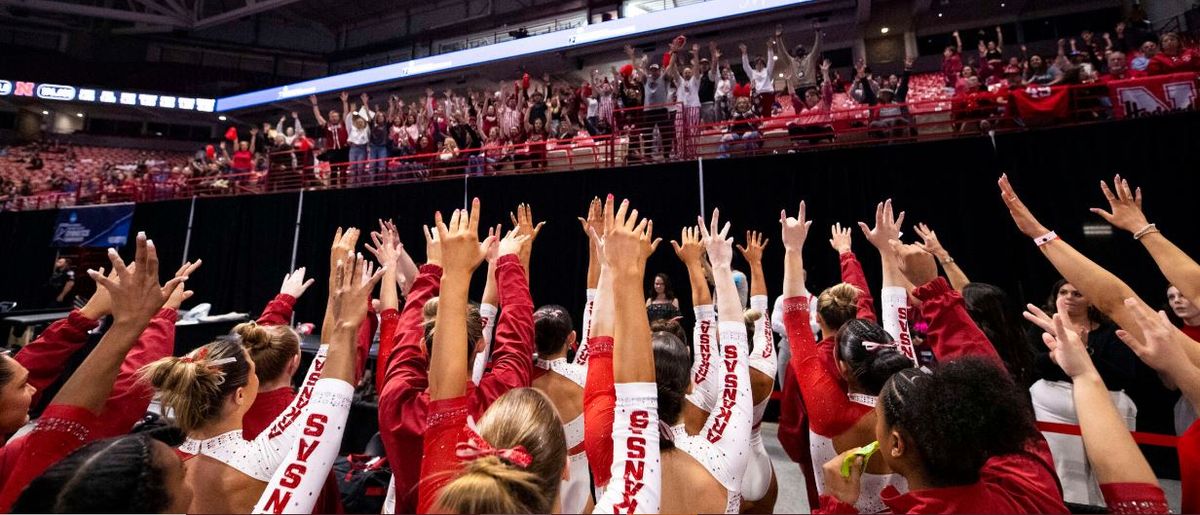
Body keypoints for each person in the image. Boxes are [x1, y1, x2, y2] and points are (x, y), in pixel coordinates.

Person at [0, 234, 191, 511]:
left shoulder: (14, 455)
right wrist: (138, 322)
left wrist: (87, 315)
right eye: (23, 386)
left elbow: (26, 367)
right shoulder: (28, 460)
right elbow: (117, 400)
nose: (33, 387)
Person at [376, 198, 535, 514]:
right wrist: (509, 263)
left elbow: (404, 344)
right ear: (480, 345)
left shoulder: (398, 405)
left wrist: (434, 268)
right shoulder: (497, 404)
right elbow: (517, 345)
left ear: (424, 347)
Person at [1024, 279, 1138, 506]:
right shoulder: (1042, 327)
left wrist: (1085, 353)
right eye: (1063, 292)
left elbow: (1122, 375)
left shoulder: (1111, 331)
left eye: (1077, 294)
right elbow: (1029, 364)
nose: (1068, 298)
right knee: (1066, 469)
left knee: (1110, 470)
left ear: (1090, 301)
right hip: (1054, 407)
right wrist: (1055, 357)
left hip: (1106, 404)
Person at [310, 93, 350, 187]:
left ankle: (344, 187)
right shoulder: (327, 125)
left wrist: (344, 101)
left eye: (336, 116)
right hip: (332, 151)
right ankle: (333, 187)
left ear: (338, 117)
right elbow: (318, 116)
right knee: (334, 171)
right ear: (329, 118)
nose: (334, 118)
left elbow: (345, 112)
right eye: (332, 116)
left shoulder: (343, 123)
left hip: (344, 150)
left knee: (344, 170)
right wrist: (315, 104)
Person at [740, 40, 777, 119]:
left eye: (761, 63)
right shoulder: (752, 73)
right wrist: (744, 53)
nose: (759, 65)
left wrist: (770, 49)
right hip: (757, 95)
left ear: (763, 64)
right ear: (755, 65)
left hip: (768, 94)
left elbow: (771, 62)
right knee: (758, 115)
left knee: (767, 116)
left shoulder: (767, 71)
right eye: (757, 63)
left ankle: (768, 128)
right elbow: (745, 66)